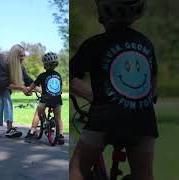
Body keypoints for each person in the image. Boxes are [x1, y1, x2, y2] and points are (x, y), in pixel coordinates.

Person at [70, 0, 158, 180]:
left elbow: (70, 78)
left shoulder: (94, 44)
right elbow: (153, 84)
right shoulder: (145, 43)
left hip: (104, 119)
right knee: (143, 175)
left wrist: (92, 96)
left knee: (77, 170)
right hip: (143, 121)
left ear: (102, 13)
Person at [0, 44, 36, 138]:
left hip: (0, 81)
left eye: (24, 55)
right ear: (14, 56)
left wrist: (42, 91)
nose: (23, 58)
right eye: (21, 56)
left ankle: (9, 129)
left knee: (6, 99)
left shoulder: (19, 66)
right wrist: (22, 88)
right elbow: (4, 83)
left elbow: (28, 80)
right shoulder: (2, 60)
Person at [24, 52, 65, 145]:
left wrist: (28, 91)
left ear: (45, 65)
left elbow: (33, 85)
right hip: (58, 100)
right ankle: (61, 135)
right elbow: (60, 88)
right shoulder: (58, 75)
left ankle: (31, 132)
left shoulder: (42, 75)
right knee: (58, 117)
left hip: (45, 100)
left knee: (38, 114)